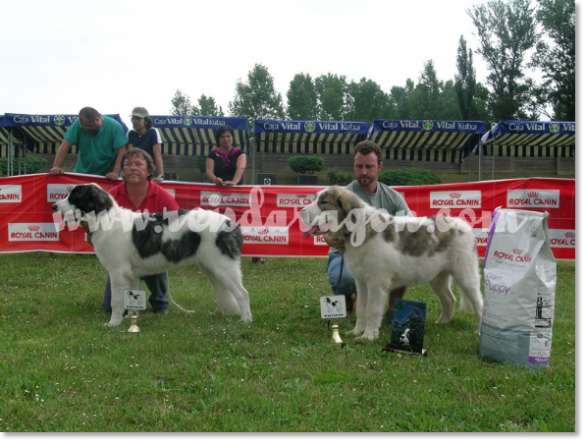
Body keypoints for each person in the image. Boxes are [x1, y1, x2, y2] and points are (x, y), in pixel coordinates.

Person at [324, 140, 411, 313]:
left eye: (369, 167)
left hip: (381, 256)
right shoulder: (341, 196)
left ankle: (394, 308)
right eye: (359, 166)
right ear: (354, 166)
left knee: (403, 262)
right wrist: (331, 240)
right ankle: (350, 297)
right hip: (346, 255)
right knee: (344, 281)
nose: (363, 172)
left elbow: (408, 229)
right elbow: (326, 231)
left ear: (379, 167)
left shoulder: (393, 198)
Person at [101, 147, 180, 315]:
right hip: (122, 258)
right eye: (128, 164)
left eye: (138, 164)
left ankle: (160, 302)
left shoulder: (163, 196)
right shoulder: (112, 196)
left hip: (153, 254)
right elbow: (104, 228)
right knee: (109, 308)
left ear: (149, 170)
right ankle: (124, 304)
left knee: (157, 263)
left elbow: (176, 227)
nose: (133, 168)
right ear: (122, 170)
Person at [206, 125, 267, 265]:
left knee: (248, 221)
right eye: (223, 136)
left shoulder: (239, 152)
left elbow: (241, 168)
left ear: (232, 138)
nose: (226, 139)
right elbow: (209, 172)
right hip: (218, 194)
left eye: (228, 136)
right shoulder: (212, 153)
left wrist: (233, 182)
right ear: (218, 139)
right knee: (217, 224)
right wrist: (216, 180)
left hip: (238, 193)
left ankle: (256, 255)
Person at [49, 107, 128, 180]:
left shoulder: (114, 126)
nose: (85, 129)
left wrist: (115, 172)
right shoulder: (78, 125)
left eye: (88, 126)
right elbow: (65, 145)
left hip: (106, 177)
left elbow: (122, 151)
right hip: (82, 175)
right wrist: (56, 167)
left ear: (97, 120)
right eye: (84, 127)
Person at [128, 107, 165, 185]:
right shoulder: (130, 133)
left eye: (138, 119)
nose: (135, 121)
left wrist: (161, 175)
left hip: (151, 173)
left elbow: (158, 155)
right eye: (133, 118)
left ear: (146, 121)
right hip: (135, 172)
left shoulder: (153, 132)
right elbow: (130, 156)